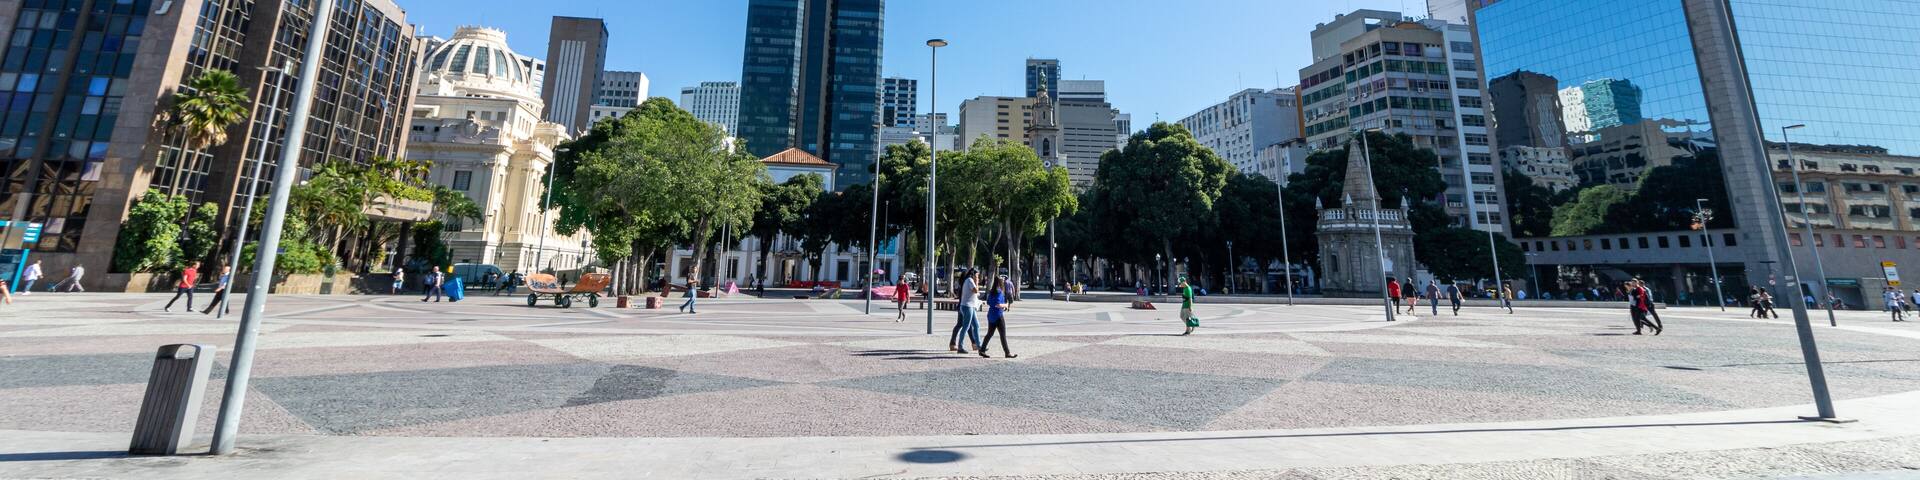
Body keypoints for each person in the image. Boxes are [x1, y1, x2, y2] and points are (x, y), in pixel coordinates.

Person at [979, 276, 1017, 358]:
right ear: (1000, 283)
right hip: (998, 315)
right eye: (1002, 281)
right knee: (1002, 335)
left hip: (991, 315)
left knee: (989, 334)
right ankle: (1007, 353)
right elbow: (998, 304)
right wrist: (1006, 305)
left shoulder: (991, 292)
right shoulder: (999, 292)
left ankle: (982, 349)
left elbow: (988, 302)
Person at [950, 269, 982, 353]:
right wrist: (977, 281)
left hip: (971, 306)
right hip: (967, 306)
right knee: (966, 326)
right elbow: (976, 291)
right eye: (977, 275)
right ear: (973, 275)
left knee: (976, 325)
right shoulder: (969, 280)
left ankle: (979, 345)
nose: (978, 277)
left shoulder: (967, 281)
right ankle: (960, 346)